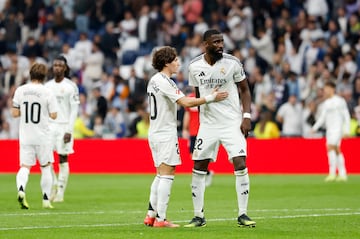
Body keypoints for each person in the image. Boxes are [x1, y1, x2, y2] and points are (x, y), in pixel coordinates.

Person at [143, 46, 228, 228]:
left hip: (156, 131)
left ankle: (150, 215)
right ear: (166, 63)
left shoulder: (154, 80)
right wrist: (210, 98)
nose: (178, 63)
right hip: (165, 133)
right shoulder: (165, 81)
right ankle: (161, 219)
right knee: (167, 175)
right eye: (175, 60)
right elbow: (186, 102)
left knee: (160, 174)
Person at [184, 29, 256, 228]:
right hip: (208, 124)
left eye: (221, 41)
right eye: (215, 42)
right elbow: (198, 95)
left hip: (232, 123)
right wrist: (201, 122)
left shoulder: (232, 62)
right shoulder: (194, 66)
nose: (220, 45)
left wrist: (246, 116)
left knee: (240, 163)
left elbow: (245, 90)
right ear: (205, 44)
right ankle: (198, 216)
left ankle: (243, 214)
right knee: (199, 167)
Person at [12, 63, 59, 209]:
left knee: (25, 166)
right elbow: (54, 115)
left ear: (30, 74)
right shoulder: (47, 92)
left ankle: (21, 189)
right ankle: (45, 199)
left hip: (26, 135)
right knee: (45, 167)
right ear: (44, 76)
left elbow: (14, 113)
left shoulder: (20, 90)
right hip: (42, 136)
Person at [46, 55, 80, 202]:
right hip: (49, 126)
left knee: (62, 157)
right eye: (55, 65)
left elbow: (74, 110)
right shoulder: (47, 86)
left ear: (65, 68)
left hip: (64, 125)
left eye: (60, 65)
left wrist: (69, 130)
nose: (57, 68)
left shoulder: (71, 86)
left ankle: (60, 191)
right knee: (46, 158)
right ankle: (53, 183)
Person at [311, 81, 351, 182]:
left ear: (332, 89)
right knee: (336, 150)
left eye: (326, 89)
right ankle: (342, 173)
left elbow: (346, 116)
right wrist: (314, 128)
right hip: (329, 130)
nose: (325, 91)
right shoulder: (326, 103)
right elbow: (322, 118)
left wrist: (346, 130)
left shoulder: (340, 101)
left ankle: (332, 173)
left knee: (330, 148)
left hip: (338, 129)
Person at [182, 90, 213, 187]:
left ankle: (200, 178)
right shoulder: (190, 98)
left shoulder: (207, 96)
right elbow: (187, 114)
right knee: (193, 155)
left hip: (203, 130)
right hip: (193, 131)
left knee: (201, 156)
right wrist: (185, 129)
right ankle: (207, 173)